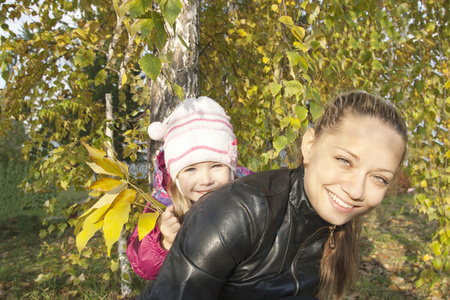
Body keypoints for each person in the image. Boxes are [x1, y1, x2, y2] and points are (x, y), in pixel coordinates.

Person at [139, 90, 408, 300]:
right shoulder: (239, 213)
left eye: (379, 178)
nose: (356, 191)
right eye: (345, 161)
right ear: (310, 145)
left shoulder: (330, 228)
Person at [126, 96, 252, 280]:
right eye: (191, 169)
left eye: (216, 166)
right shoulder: (163, 206)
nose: (206, 180)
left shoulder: (250, 191)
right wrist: (164, 241)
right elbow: (142, 265)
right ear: (176, 176)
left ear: (231, 167)